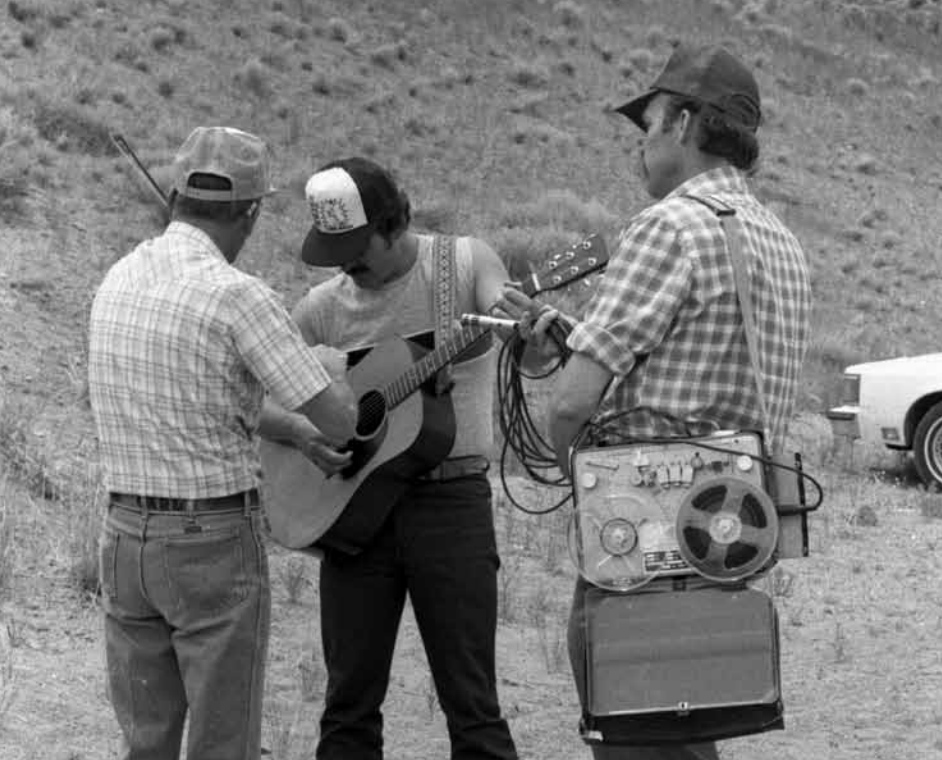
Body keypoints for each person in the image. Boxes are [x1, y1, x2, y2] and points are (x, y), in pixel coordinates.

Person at [496, 43, 811, 760]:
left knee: (637, 735)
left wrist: (582, 468)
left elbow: (572, 405)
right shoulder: (779, 239)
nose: (640, 147)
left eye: (648, 127)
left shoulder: (669, 225)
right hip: (725, 532)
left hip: (644, 544)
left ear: (683, 124)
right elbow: (702, 372)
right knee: (690, 726)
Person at [88, 126, 358, 760]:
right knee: (223, 742)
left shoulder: (120, 276)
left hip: (125, 536)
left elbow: (199, 395)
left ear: (177, 194)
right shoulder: (239, 295)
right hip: (210, 543)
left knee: (146, 739)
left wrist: (289, 427)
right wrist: (327, 366)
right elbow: (342, 421)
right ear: (253, 210)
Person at [261, 156, 520, 760]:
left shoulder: (463, 263)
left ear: (392, 223)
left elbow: (507, 321)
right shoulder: (322, 308)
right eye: (334, 249)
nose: (347, 262)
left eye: (356, 246)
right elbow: (253, 404)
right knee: (347, 707)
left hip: (449, 505)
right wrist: (302, 432)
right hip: (355, 515)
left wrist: (518, 324)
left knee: (473, 705)